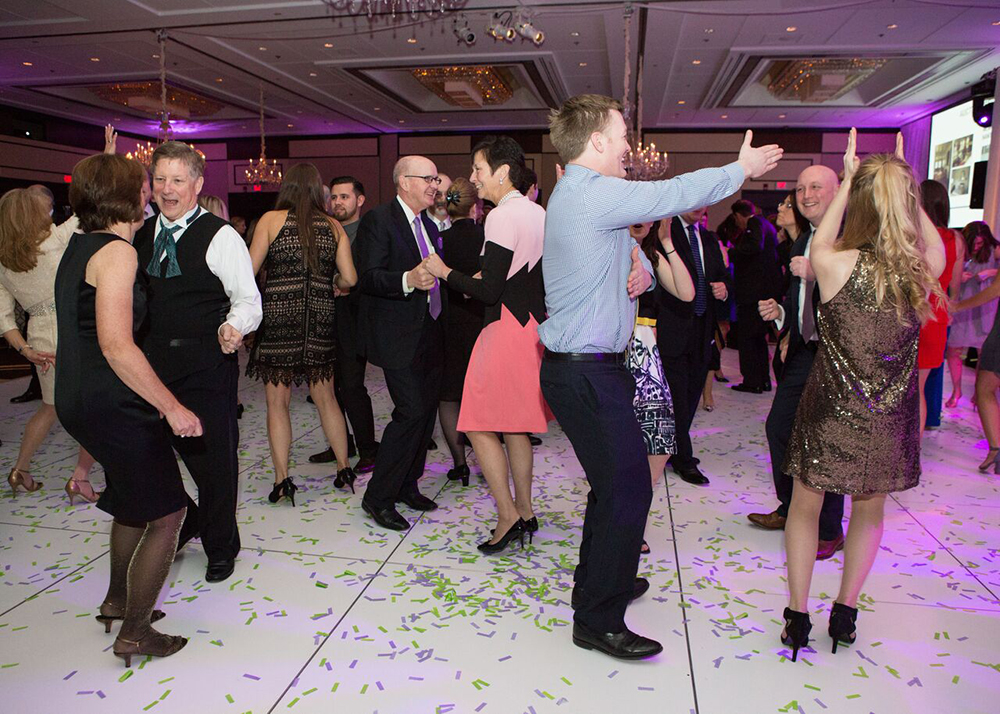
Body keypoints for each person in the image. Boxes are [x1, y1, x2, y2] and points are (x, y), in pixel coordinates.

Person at [539, 93, 781, 660]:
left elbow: (633, 264)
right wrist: (738, 170)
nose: (628, 146)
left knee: (616, 487)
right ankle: (598, 619)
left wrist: (641, 271)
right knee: (628, 489)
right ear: (597, 140)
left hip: (592, 369)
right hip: (585, 373)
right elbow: (670, 194)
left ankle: (601, 584)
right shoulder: (591, 191)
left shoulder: (585, 198)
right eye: (622, 135)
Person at [779, 131, 945, 661]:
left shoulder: (834, 262)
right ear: (904, 205)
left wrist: (849, 179)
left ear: (860, 203)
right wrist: (906, 187)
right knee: (869, 514)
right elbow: (937, 247)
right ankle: (845, 610)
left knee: (804, 509)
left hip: (829, 411)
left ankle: (798, 616)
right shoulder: (917, 271)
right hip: (888, 419)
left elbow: (819, 242)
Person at [55, 152, 203, 667]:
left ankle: (118, 601)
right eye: (145, 185)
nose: (153, 192)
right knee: (168, 513)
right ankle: (136, 633)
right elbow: (117, 346)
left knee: (130, 501)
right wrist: (171, 407)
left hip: (77, 396)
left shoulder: (81, 243)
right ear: (129, 197)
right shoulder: (117, 253)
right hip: (112, 399)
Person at [133, 141, 262, 583]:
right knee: (148, 458)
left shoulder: (220, 235)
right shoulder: (140, 233)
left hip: (205, 364)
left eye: (177, 180)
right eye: (160, 180)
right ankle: (188, 520)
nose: (167, 189)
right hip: (151, 368)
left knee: (213, 463)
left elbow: (248, 300)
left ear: (197, 183)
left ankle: (221, 545)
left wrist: (234, 326)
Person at [424, 136, 551, 554]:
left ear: (502, 172)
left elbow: (489, 290)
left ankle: (507, 516)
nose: (474, 178)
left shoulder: (500, 217)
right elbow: (521, 276)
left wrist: (444, 272)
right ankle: (526, 511)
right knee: (515, 426)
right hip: (531, 328)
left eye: (478, 169)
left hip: (503, 330)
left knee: (477, 424)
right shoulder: (537, 212)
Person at [750, 164, 847, 560]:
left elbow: (860, 295)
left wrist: (820, 273)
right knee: (779, 427)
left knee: (827, 439)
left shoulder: (850, 238)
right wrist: (781, 315)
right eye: (801, 188)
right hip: (806, 350)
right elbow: (799, 303)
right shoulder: (803, 240)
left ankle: (829, 528)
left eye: (816, 187)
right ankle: (792, 508)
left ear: (837, 191)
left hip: (839, 354)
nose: (806, 195)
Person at [246, 163, 358, 504]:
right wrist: (332, 282)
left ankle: (282, 479)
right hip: (319, 319)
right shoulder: (333, 226)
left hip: (279, 319)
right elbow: (350, 279)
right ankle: (343, 468)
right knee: (327, 398)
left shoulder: (270, 220)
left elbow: (248, 270)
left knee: (277, 403)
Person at [355, 156, 447, 531]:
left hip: (430, 330)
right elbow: (368, 277)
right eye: (428, 178)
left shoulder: (428, 223)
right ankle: (378, 497)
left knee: (426, 413)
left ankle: (408, 484)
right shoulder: (379, 220)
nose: (435, 186)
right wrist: (407, 279)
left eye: (436, 179)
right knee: (410, 411)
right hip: (397, 335)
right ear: (404, 182)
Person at [0, 188, 98, 502]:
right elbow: (87, 210)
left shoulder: (4, 262)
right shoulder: (54, 239)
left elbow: (4, 319)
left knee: (49, 407)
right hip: (74, 328)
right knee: (91, 407)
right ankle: (80, 479)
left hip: (39, 336)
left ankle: (20, 470)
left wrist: (26, 351)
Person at [627, 219, 693, 551]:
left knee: (660, 442)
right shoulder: (608, 247)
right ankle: (619, 525)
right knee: (619, 447)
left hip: (646, 354)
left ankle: (631, 519)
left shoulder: (653, 254)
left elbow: (687, 293)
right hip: (613, 350)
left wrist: (667, 241)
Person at [309, 176, 379, 472]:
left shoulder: (368, 232)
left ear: (359, 200)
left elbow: (371, 274)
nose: (337, 202)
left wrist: (347, 284)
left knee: (351, 386)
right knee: (329, 386)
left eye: (344, 197)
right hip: (326, 316)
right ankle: (342, 443)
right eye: (334, 197)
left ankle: (368, 449)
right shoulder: (324, 229)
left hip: (354, 318)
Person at [659, 206, 732, 485]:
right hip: (673, 328)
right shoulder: (666, 232)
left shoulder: (709, 239)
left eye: (703, 203)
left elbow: (723, 276)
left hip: (703, 329)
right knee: (677, 397)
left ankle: (675, 449)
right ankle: (683, 459)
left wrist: (723, 288)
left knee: (691, 395)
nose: (698, 208)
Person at [433, 177, 484, 485]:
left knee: (449, 396)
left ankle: (460, 463)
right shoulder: (488, 237)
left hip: (450, 324)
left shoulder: (439, 241)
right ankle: (487, 458)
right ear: (475, 207)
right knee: (482, 394)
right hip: (482, 323)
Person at [916, 180, 963, 435]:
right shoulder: (956, 239)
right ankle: (913, 450)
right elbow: (954, 286)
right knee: (919, 390)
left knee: (903, 391)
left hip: (915, 312)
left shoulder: (916, 236)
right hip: (937, 315)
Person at [730, 200, 781, 394]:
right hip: (764, 290)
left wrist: (731, 252)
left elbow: (753, 246)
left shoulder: (755, 223)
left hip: (752, 292)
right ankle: (763, 379)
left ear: (738, 215)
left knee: (748, 338)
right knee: (759, 338)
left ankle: (752, 381)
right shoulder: (766, 224)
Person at [946, 222, 999, 408]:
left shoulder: (994, 250)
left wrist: (991, 272)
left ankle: (979, 392)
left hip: (984, 306)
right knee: (954, 348)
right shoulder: (959, 248)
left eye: (980, 243)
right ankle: (956, 390)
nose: (976, 247)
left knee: (982, 350)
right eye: (974, 243)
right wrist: (958, 277)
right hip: (962, 302)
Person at [775, 191, 808, 298]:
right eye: (782, 204)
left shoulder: (808, 246)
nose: (780, 208)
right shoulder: (791, 246)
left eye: (789, 205)